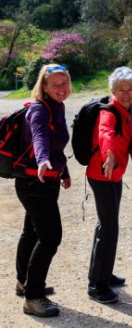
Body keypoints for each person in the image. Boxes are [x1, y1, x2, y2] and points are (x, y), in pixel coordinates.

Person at [16, 63, 72, 317]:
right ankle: (33, 297)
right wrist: (42, 160)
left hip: (46, 180)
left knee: (32, 232)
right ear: (44, 86)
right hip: (33, 182)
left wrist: (64, 171)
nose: (61, 88)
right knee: (50, 237)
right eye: (55, 84)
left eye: (64, 83)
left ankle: (24, 282)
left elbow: (56, 145)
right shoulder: (39, 109)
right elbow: (39, 136)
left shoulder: (57, 107)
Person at [86, 66, 132, 304]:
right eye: (121, 89)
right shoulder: (109, 112)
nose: (126, 94)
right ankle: (97, 285)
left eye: (131, 89)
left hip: (114, 175)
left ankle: (103, 273)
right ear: (113, 90)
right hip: (102, 174)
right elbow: (105, 132)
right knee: (108, 228)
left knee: (107, 225)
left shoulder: (128, 109)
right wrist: (108, 153)